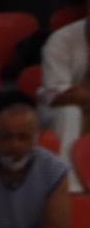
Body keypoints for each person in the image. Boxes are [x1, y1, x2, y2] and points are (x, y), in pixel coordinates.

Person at [38, 16, 89, 181]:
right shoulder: (61, 39)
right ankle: (69, 182)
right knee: (70, 112)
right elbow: (60, 96)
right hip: (54, 107)